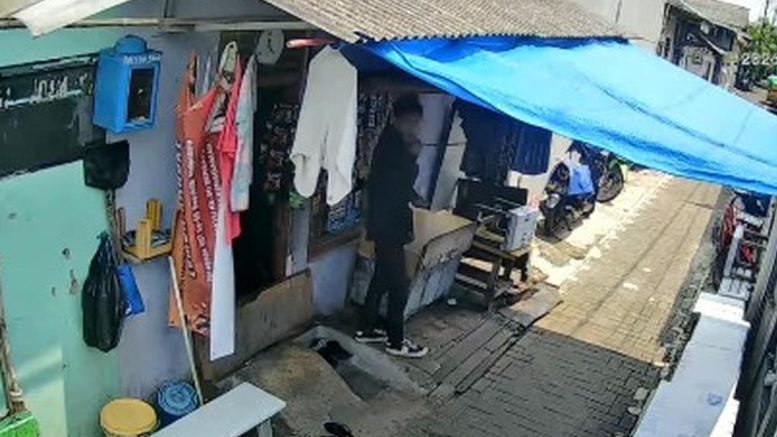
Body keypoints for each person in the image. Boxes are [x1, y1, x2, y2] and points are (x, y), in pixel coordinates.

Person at [355, 96, 429, 359]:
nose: (413, 127)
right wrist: (413, 158)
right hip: (388, 223)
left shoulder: (394, 141)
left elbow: (399, 186)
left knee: (382, 278)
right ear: (396, 119)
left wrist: (415, 197)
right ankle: (396, 341)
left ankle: (366, 329)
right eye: (409, 122)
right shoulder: (393, 146)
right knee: (400, 284)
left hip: (387, 220)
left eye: (416, 122)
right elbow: (396, 183)